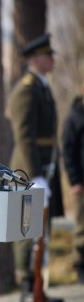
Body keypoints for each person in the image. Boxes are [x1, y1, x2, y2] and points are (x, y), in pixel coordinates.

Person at [8, 33, 65, 302]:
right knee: (27, 227)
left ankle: (39, 283)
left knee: (42, 228)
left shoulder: (42, 87)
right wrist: (34, 175)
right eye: (48, 54)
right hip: (28, 169)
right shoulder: (26, 90)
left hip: (43, 166)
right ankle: (28, 286)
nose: (53, 59)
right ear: (35, 59)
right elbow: (24, 136)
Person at [62, 82, 84, 284]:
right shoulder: (75, 117)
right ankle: (80, 267)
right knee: (81, 228)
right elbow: (68, 151)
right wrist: (74, 180)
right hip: (82, 182)